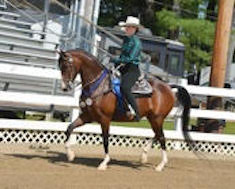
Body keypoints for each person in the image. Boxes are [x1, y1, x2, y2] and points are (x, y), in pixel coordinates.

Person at [112, 16, 143, 121]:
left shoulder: (136, 42)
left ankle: (137, 112)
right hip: (123, 67)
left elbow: (131, 57)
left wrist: (118, 61)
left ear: (134, 29)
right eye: (126, 27)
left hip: (132, 69)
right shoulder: (126, 40)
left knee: (125, 87)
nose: (127, 29)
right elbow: (123, 55)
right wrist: (117, 61)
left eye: (129, 27)